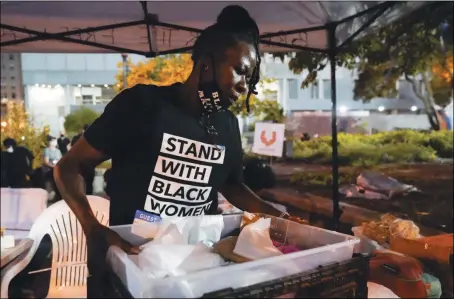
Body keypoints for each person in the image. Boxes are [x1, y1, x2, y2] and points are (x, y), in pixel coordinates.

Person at [55, 5, 303, 266]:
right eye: (240, 71)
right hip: (133, 258)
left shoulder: (228, 124)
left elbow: (230, 185)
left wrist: (277, 217)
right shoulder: (141, 105)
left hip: (198, 261)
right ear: (207, 63)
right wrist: (91, 226)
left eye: (249, 79)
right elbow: (70, 166)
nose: (244, 86)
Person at [70, 124, 95, 195]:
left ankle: (88, 196)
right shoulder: (77, 138)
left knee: (88, 182)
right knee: (80, 182)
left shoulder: (92, 138)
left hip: (88, 163)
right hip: (81, 163)